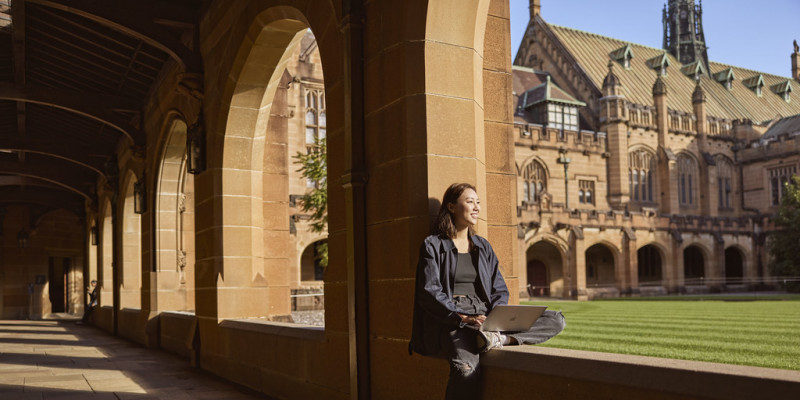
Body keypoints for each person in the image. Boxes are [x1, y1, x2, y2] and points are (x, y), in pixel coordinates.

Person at [409, 183, 565, 399]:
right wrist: (462, 316)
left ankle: (497, 338)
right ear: (452, 207)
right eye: (470, 201)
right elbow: (430, 291)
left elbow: (498, 287)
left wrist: (496, 316)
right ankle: (490, 336)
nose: (476, 207)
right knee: (465, 370)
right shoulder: (433, 245)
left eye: (478, 202)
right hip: (456, 321)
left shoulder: (483, 246)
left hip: (486, 317)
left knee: (556, 320)